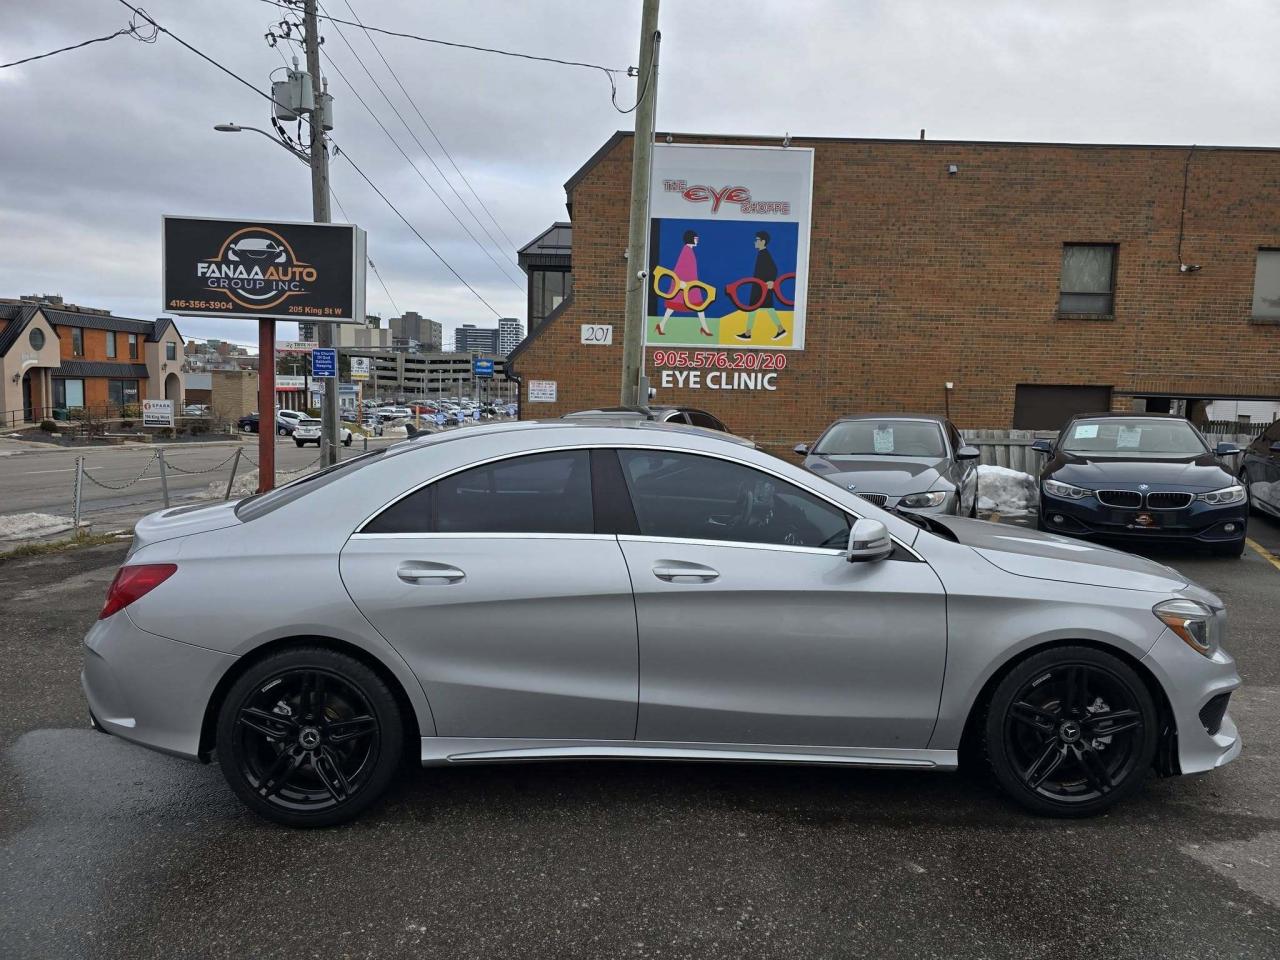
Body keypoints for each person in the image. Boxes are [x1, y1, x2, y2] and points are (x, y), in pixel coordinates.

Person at [657, 230, 712, 337]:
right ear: (691, 239)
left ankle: (661, 325)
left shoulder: (689, 250)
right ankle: (704, 328)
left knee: (679, 306)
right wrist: (680, 283)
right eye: (696, 238)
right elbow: (678, 268)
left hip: (690, 285)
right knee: (697, 306)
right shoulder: (686, 251)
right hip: (686, 285)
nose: (697, 240)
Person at [736, 231, 787, 341]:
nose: (755, 242)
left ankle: (749, 333)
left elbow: (774, 269)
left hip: (761, 287)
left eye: (757, 240)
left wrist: (771, 282)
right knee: (766, 308)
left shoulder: (765, 254)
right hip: (760, 286)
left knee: (756, 308)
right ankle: (780, 329)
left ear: (763, 242)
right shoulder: (761, 253)